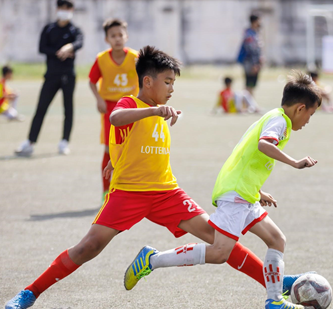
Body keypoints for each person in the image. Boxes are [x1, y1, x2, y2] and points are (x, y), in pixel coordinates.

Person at [5, 46, 303, 309]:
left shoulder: (162, 113)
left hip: (167, 194)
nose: (172, 89)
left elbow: (135, 147)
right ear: (147, 82)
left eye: (174, 82)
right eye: (167, 82)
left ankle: (274, 283)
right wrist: (152, 114)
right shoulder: (130, 105)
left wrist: (120, 155)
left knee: (219, 240)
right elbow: (116, 120)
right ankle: (30, 293)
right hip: (128, 194)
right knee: (88, 248)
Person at [124, 71, 321, 309]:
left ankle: (275, 300)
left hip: (246, 193)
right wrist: (294, 162)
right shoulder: (279, 121)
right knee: (219, 253)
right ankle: (152, 260)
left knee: (276, 239)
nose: (308, 121)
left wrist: (259, 192)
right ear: (300, 108)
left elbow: (247, 158)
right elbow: (263, 145)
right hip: (236, 195)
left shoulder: (277, 118)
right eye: (310, 114)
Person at [15, 0, 84, 156]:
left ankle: (64, 141)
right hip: (51, 75)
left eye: (68, 9)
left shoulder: (75, 31)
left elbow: (79, 43)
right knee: (41, 108)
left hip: (68, 76)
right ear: (57, 9)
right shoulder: (49, 28)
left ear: (71, 11)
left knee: (68, 109)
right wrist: (58, 52)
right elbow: (42, 48)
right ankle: (30, 142)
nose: (64, 12)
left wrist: (70, 47)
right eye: (62, 8)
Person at [88, 18, 139, 200]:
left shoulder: (136, 57)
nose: (117, 39)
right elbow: (92, 81)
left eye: (120, 35)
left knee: (133, 148)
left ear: (126, 36)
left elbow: (147, 79)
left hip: (132, 107)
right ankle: (106, 190)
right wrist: (99, 99)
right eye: (113, 36)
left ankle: (131, 189)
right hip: (110, 109)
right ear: (106, 39)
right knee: (110, 150)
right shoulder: (101, 59)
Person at [237, 14, 262, 111]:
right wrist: (255, 63)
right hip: (250, 62)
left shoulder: (255, 32)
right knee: (249, 83)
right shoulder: (249, 34)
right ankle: (246, 105)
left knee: (251, 84)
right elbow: (250, 50)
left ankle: (250, 105)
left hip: (254, 63)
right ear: (254, 21)